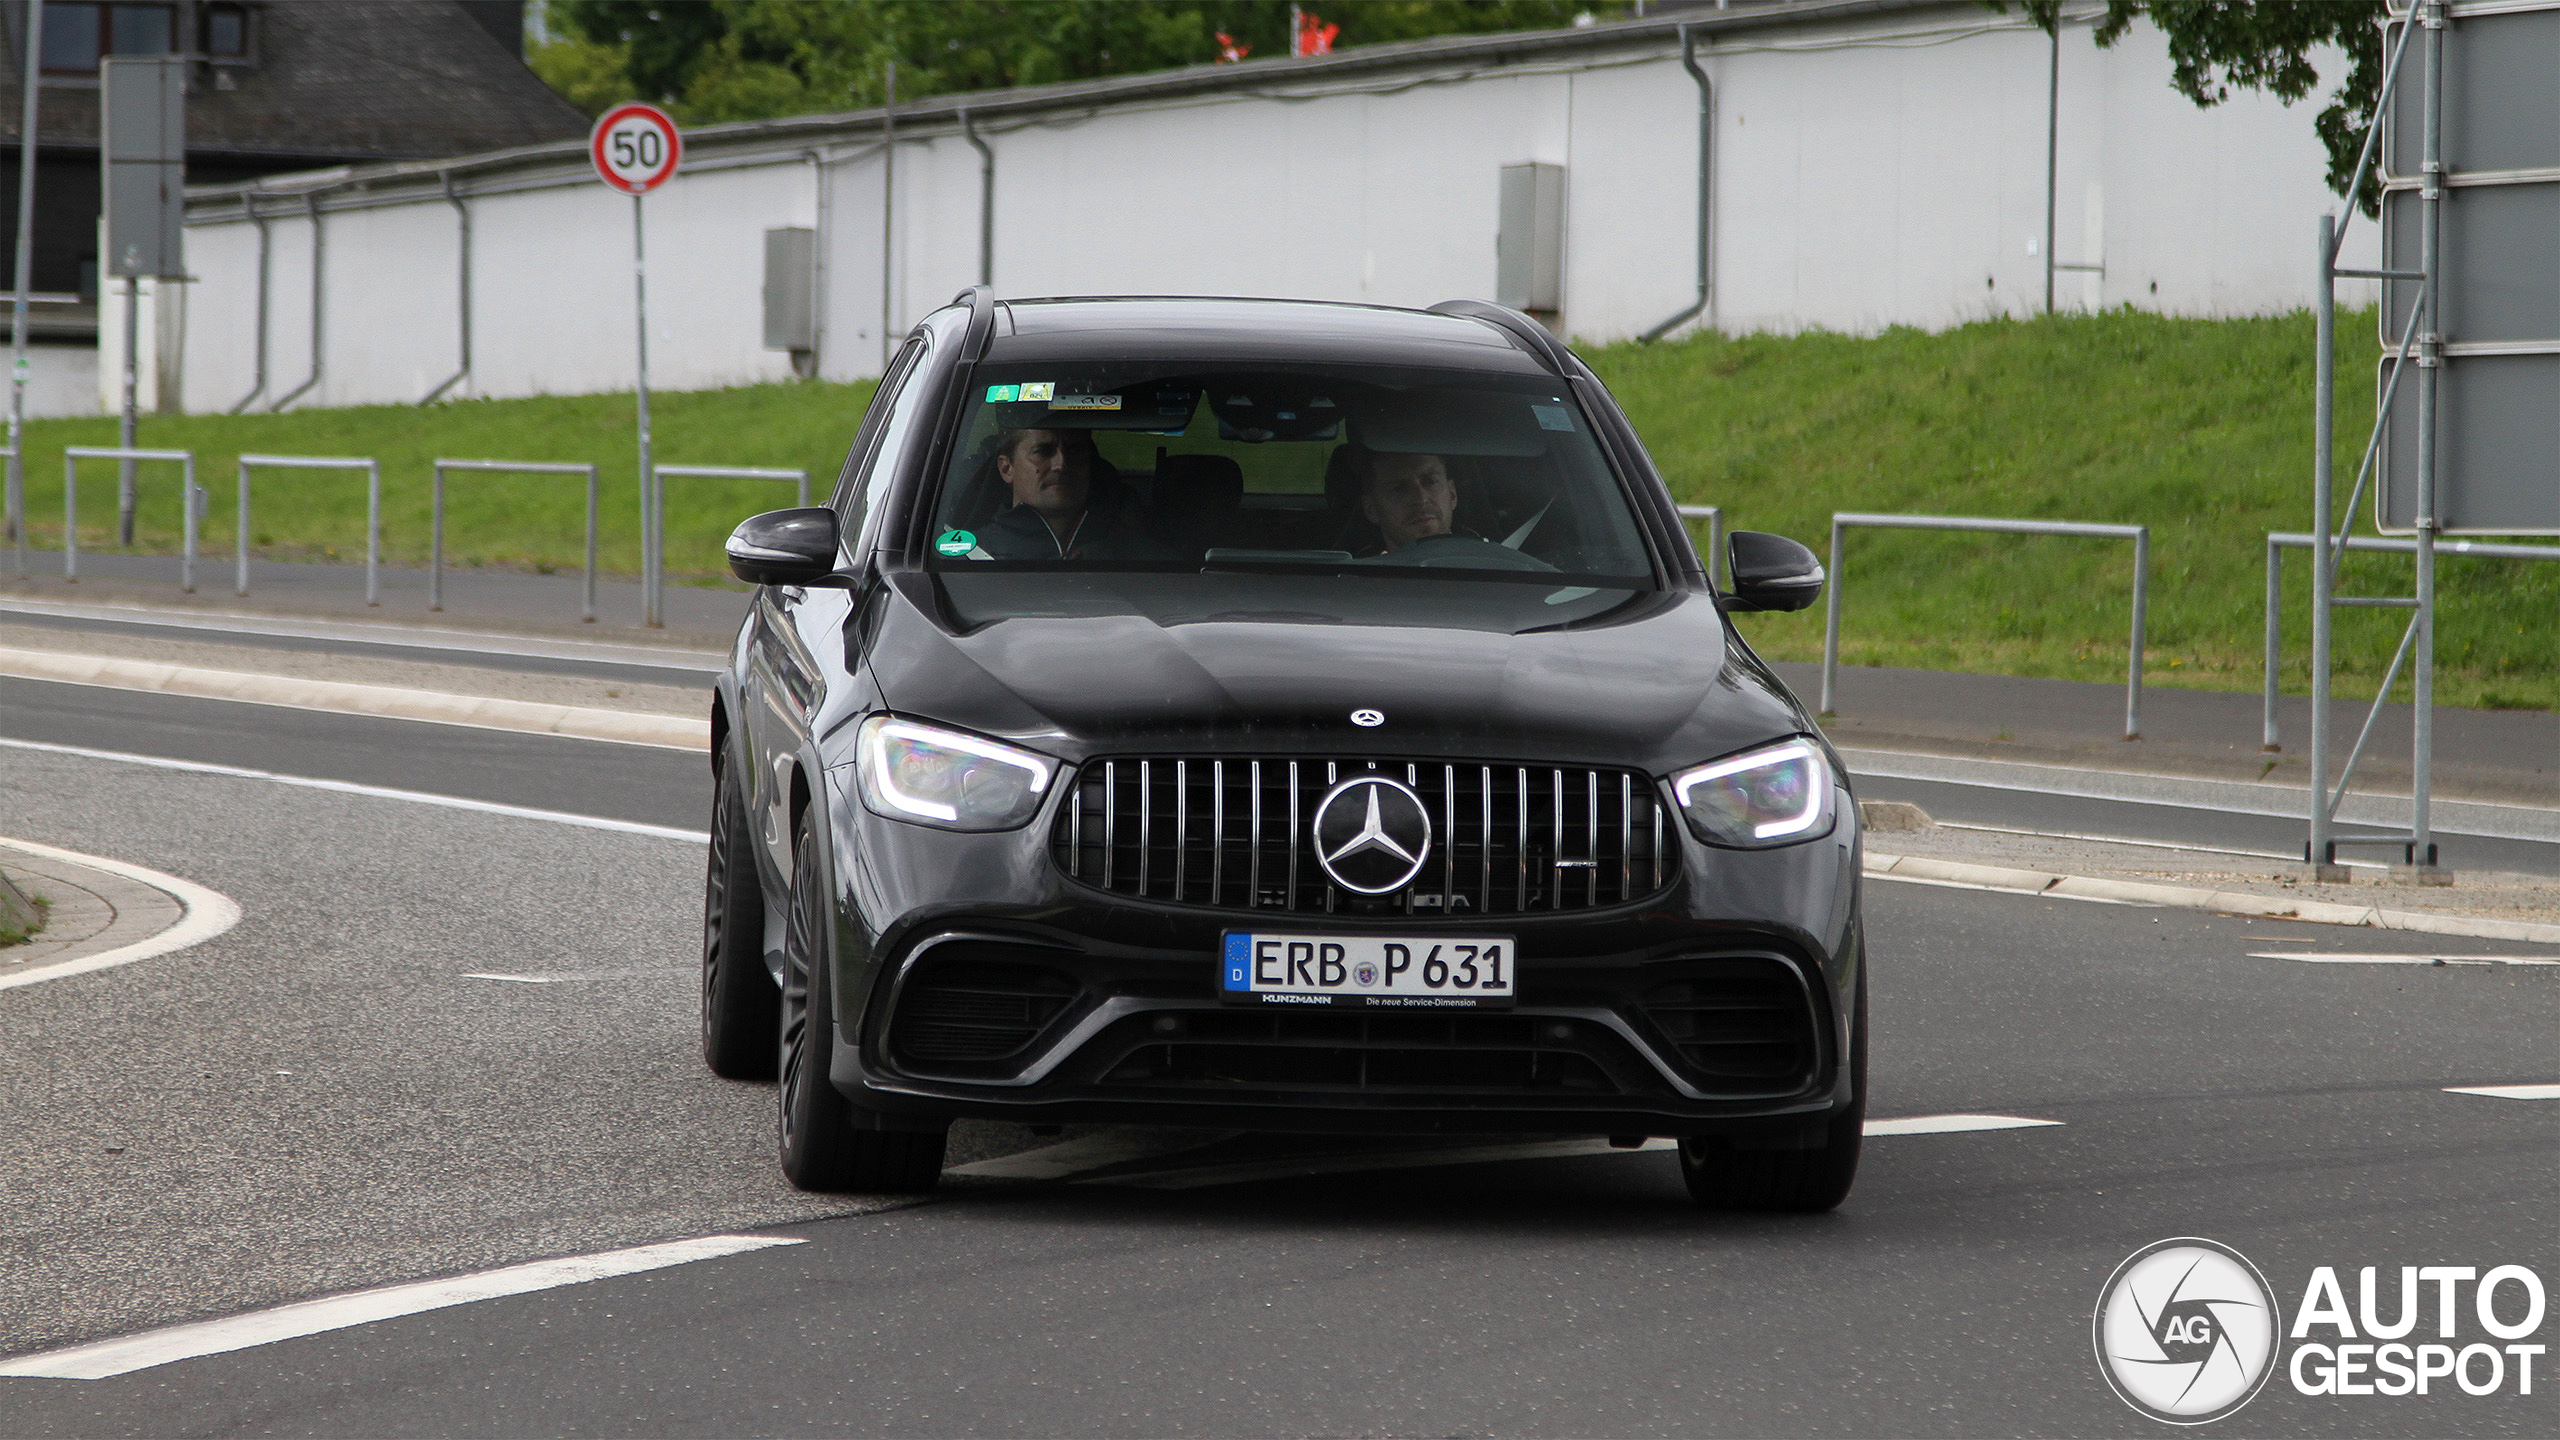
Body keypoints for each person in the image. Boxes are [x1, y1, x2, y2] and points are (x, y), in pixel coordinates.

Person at [971, 428, 1164, 560]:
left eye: (1074, 451)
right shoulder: (975, 555)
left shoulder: (1141, 554)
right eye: (1043, 451)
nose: (1061, 464)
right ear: (1006, 469)